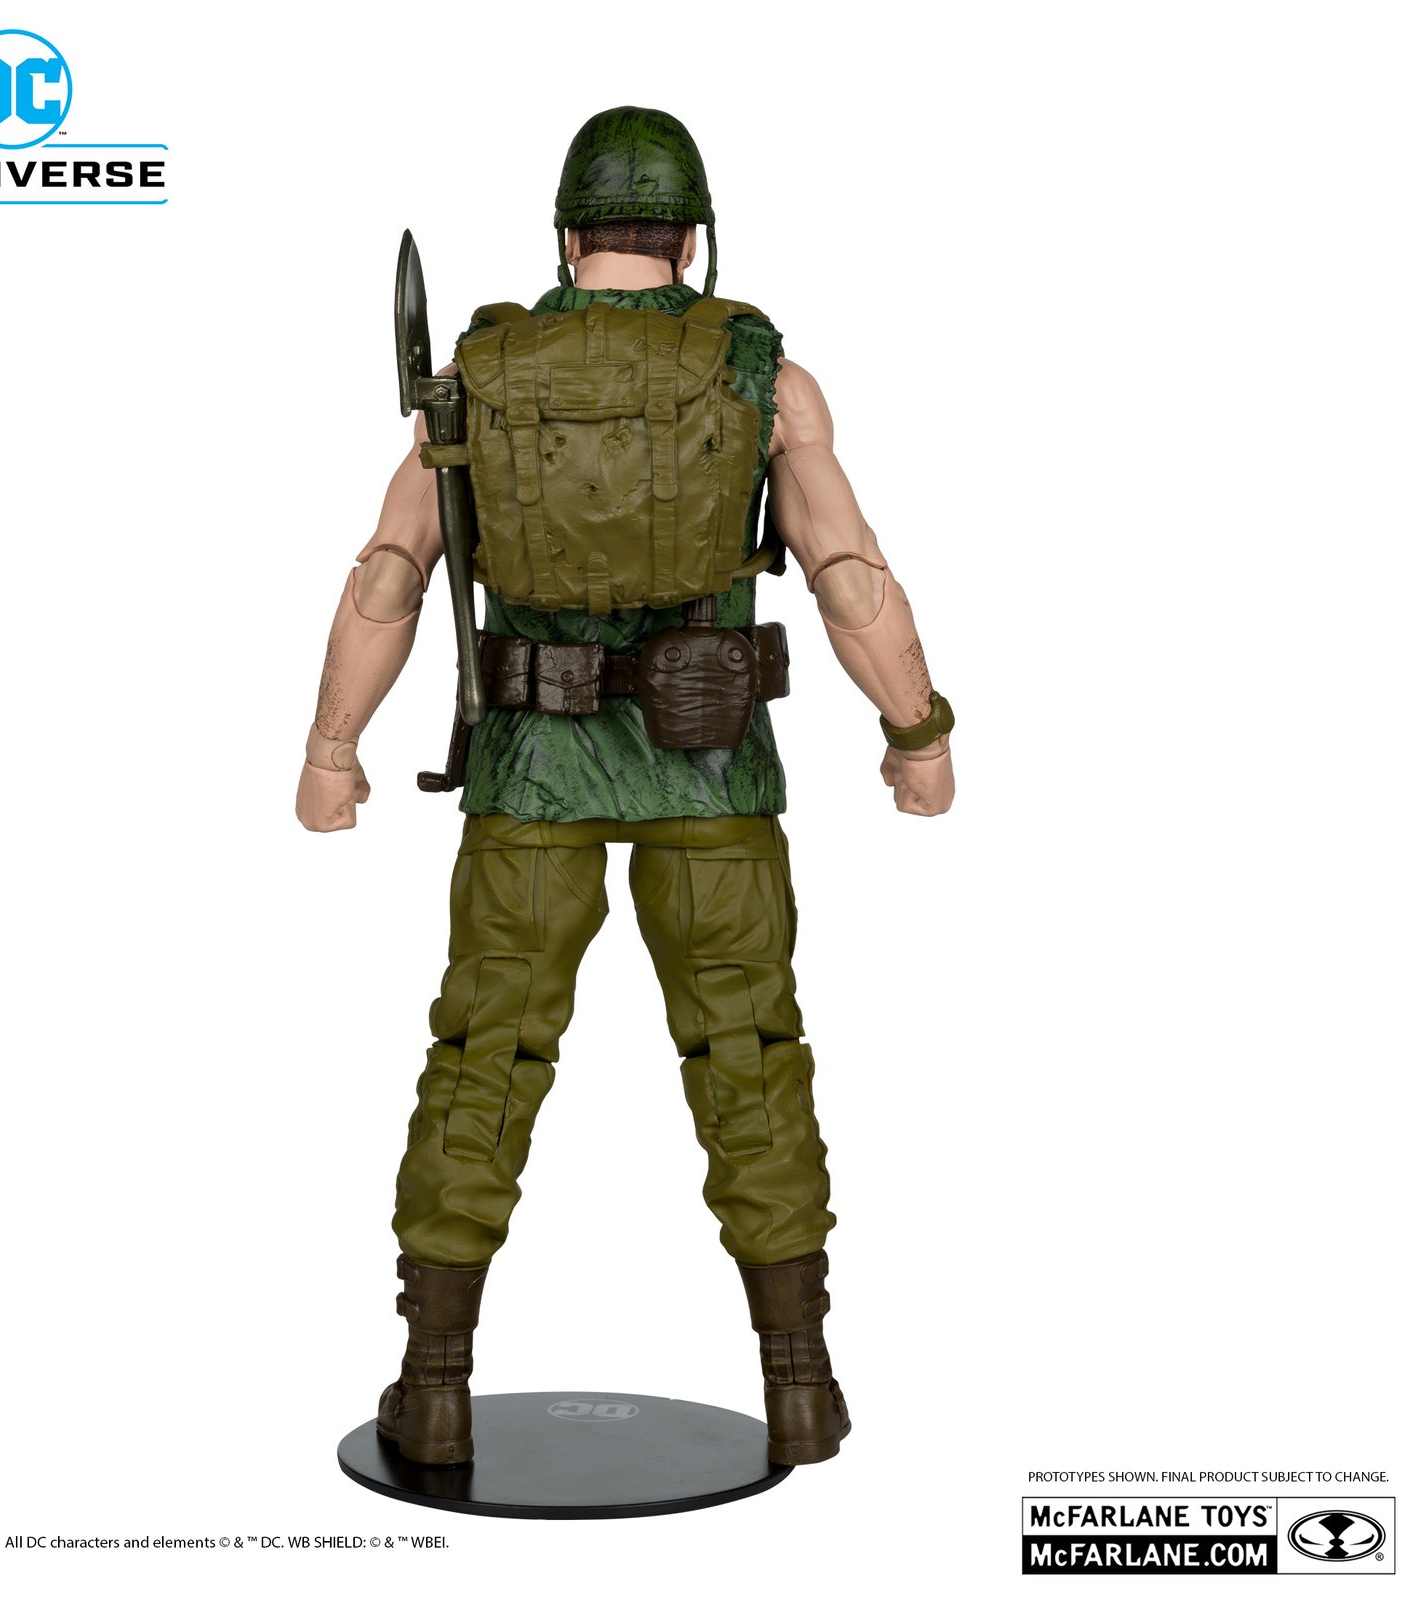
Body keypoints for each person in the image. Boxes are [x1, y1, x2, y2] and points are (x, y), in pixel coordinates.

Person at [296, 107, 955, 1470]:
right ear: (693, 240)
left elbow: (390, 574)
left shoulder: (477, 374)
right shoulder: (763, 376)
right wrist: (917, 728)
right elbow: (847, 575)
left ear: (566, 237)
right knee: (749, 1053)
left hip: (530, 776)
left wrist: (331, 749)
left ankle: (433, 1386)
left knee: (486, 1055)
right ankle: (799, 1381)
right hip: (713, 774)